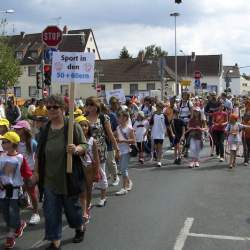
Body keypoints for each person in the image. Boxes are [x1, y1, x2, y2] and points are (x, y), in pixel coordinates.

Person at [34, 95, 87, 250]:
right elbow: (39, 153)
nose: (51, 110)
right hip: (49, 179)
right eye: (48, 107)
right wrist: (36, 172)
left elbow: (85, 145)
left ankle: (79, 227)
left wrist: (77, 149)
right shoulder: (44, 129)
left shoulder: (72, 126)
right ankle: (55, 241)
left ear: (63, 109)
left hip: (68, 177)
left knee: (73, 211)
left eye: (55, 107)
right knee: (51, 212)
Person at [85, 96, 120, 207]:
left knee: (101, 172)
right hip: (87, 149)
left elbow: (110, 134)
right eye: (88, 105)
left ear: (97, 106)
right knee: (87, 176)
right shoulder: (83, 118)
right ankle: (88, 201)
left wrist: (116, 149)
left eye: (92, 105)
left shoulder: (103, 117)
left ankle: (103, 197)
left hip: (100, 149)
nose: (90, 107)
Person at [0, 131, 33, 249]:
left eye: (5, 142)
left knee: (13, 212)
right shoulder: (1, 157)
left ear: (13, 144)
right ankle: (19, 224)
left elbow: (27, 174)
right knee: (5, 212)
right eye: (2, 142)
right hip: (2, 191)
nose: (3, 144)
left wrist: (29, 187)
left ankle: (10, 235)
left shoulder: (20, 158)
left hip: (15, 190)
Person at [12, 120, 40, 225]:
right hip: (19, 170)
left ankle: (36, 213)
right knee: (21, 191)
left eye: (18, 129)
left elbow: (38, 156)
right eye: (15, 128)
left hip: (30, 170)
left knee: (32, 191)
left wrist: (36, 172)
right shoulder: (16, 142)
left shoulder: (32, 143)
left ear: (24, 130)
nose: (15, 130)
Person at [75, 115, 100, 224]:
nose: (84, 128)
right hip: (78, 168)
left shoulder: (92, 140)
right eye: (81, 126)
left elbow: (96, 157)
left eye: (86, 125)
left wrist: (96, 171)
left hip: (89, 168)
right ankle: (83, 210)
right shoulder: (74, 141)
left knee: (88, 190)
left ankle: (87, 208)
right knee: (81, 191)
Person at [115, 111, 135, 195]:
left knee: (123, 169)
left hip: (126, 151)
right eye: (119, 117)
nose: (119, 118)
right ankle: (129, 182)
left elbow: (133, 140)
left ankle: (124, 188)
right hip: (119, 151)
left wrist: (123, 140)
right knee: (123, 169)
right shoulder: (118, 128)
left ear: (126, 118)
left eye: (121, 117)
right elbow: (116, 137)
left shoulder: (129, 129)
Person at [150, 101, 174, 167]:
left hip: (161, 133)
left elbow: (168, 125)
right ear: (156, 107)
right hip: (154, 133)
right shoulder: (154, 115)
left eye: (161, 107)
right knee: (156, 147)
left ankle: (159, 161)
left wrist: (172, 133)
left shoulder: (164, 115)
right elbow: (151, 124)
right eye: (158, 107)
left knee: (160, 147)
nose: (159, 108)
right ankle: (159, 157)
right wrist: (146, 132)